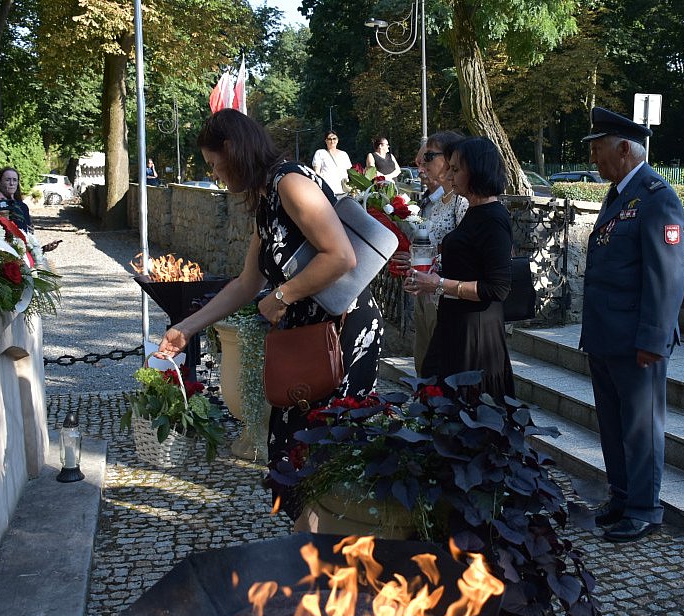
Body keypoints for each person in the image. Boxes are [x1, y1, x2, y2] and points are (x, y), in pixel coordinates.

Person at [156, 109, 382, 518]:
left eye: (214, 164)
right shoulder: (266, 199)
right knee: (290, 453)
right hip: (307, 337)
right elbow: (246, 283)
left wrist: (281, 297)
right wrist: (185, 329)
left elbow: (342, 257)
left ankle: (331, 557)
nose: (216, 175)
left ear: (232, 149)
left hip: (342, 332)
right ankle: (307, 555)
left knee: (326, 455)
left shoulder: (291, 182)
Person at [580, 107, 684, 544]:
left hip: (637, 341)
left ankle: (645, 508)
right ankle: (622, 496)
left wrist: (654, 340)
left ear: (624, 148)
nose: (594, 159)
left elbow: (667, 276)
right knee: (612, 424)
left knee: (641, 428)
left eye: (599, 149)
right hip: (607, 336)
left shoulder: (656, 195)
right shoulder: (619, 194)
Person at [405, 137, 513, 401]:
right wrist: (429, 277)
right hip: (455, 324)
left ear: (475, 170)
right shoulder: (475, 212)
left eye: (456, 169)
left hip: (475, 333)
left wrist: (438, 284)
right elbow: (466, 264)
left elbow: (497, 287)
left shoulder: (493, 217)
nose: (450, 176)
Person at [402, 130, 467, 372]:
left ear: (451, 159)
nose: (421, 166)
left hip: (447, 296)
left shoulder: (463, 203)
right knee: (424, 362)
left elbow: (464, 254)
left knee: (440, 366)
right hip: (427, 290)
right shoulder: (438, 202)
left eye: (429, 157)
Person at [311, 130, 352, 195]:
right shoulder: (320, 153)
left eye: (334, 139)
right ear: (326, 141)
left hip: (343, 191)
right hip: (327, 191)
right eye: (329, 139)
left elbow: (350, 172)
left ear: (337, 140)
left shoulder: (344, 154)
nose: (332, 141)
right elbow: (317, 172)